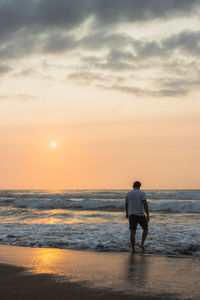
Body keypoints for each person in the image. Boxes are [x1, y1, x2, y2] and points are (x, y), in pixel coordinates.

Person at [125, 181, 149, 253]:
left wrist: (127, 213)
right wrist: (148, 215)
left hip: (132, 215)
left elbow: (126, 204)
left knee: (132, 232)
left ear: (133, 186)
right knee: (145, 229)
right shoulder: (142, 193)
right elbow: (145, 204)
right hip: (141, 215)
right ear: (140, 186)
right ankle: (142, 244)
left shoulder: (128, 194)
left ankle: (133, 249)